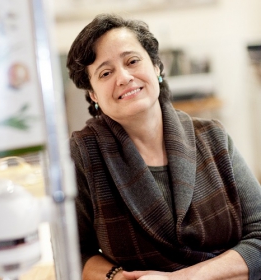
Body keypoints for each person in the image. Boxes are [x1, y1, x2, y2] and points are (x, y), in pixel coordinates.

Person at [66, 13, 261, 280]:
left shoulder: (213, 137)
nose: (124, 77)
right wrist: (117, 277)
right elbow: (74, 251)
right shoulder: (84, 153)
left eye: (132, 61)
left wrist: (179, 279)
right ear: (93, 95)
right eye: (106, 72)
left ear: (157, 67)